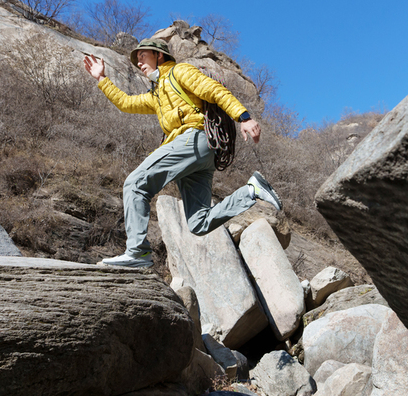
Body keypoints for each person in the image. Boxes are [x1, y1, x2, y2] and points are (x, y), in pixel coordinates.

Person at [83, 38, 282, 268]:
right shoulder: (156, 94)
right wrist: (101, 78)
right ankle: (251, 190)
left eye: (142, 56)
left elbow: (214, 91)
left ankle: (137, 252)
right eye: (137, 59)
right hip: (199, 156)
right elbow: (126, 103)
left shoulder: (180, 72)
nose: (139, 62)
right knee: (200, 223)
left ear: (159, 55)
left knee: (135, 183)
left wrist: (244, 117)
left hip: (194, 139)